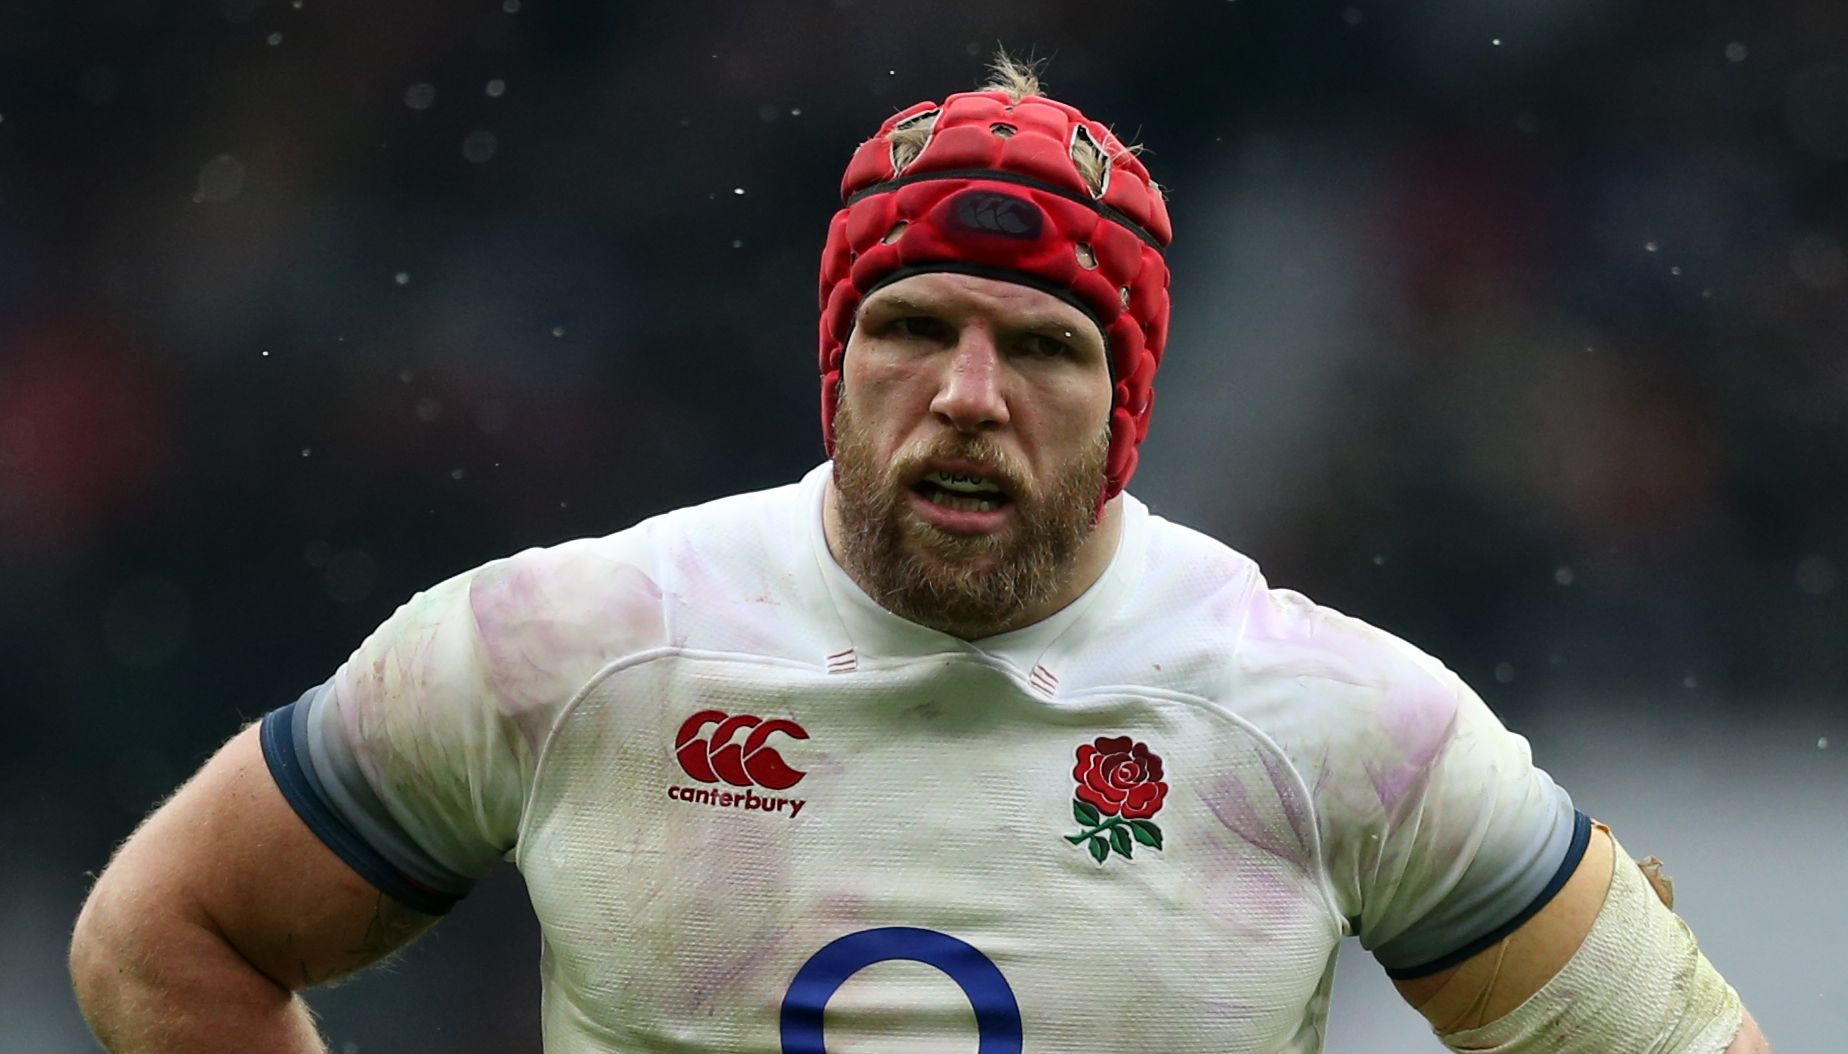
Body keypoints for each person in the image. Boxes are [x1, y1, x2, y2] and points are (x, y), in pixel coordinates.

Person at [70, 56, 1770, 1054]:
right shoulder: (571, 642)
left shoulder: (1336, 719)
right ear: (837, 359)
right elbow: (167, 937)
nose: (965, 396)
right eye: (912, 328)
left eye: (1041, 346)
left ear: (1128, 406)